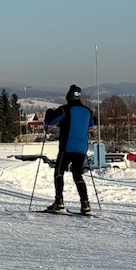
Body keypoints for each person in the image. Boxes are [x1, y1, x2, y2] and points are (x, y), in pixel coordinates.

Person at [43, 85, 97, 215]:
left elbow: (50, 120)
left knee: (59, 172)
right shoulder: (88, 111)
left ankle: (59, 202)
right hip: (82, 149)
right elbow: (92, 122)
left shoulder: (65, 110)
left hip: (67, 147)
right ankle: (85, 204)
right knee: (77, 174)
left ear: (68, 97)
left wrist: (49, 112)